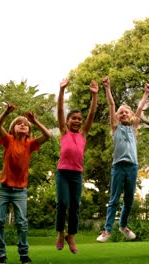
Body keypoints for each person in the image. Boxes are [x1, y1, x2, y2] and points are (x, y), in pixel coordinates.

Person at [0, 103, 51, 264]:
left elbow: (47, 135)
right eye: (19, 123)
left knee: (22, 223)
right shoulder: (8, 140)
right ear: (12, 129)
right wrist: (6, 112)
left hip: (20, 191)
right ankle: (1, 256)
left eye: (26, 125)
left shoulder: (30, 144)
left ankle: (24, 255)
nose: (23, 125)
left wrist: (35, 121)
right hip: (3, 188)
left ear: (29, 131)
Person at [96, 77, 149, 242]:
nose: (123, 114)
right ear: (117, 117)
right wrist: (107, 88)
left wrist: (146, 93)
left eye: (126, 112)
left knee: (128, 199)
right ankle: (107, 230)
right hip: (118, 167)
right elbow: (112, 105)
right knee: (114, 199)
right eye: (121, 113)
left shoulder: (134, 128)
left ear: (131, 115)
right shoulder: (115, 128)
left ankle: (123, 225)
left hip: (132, 167)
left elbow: (140, 107)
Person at [55, 78, 98, 253]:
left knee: (75, 205)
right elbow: (59, 109)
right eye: (74, 118)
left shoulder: (83, 134)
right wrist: (62, 90)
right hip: (63, 173)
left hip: (77, 174)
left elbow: (92, 115)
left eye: (79, 119)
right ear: (67, 121)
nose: (78, 121)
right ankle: (60, 232)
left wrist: (94, 96)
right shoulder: (64, 132)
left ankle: (71, 235)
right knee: (63, 203)